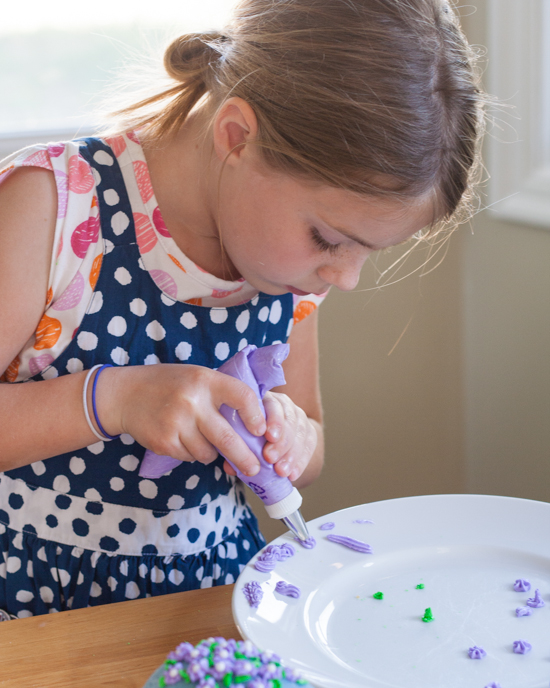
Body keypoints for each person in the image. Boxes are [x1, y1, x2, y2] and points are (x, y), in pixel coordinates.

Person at [0, 0, 485, 619]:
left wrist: (292, 434)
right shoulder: (55, 208)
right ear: (236, 136)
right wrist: (111, 400)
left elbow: (311, 444)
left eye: (368, 253)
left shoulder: (291, 275)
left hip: (211, 599)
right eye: (330, 239)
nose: (346, 277)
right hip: (36, 605)